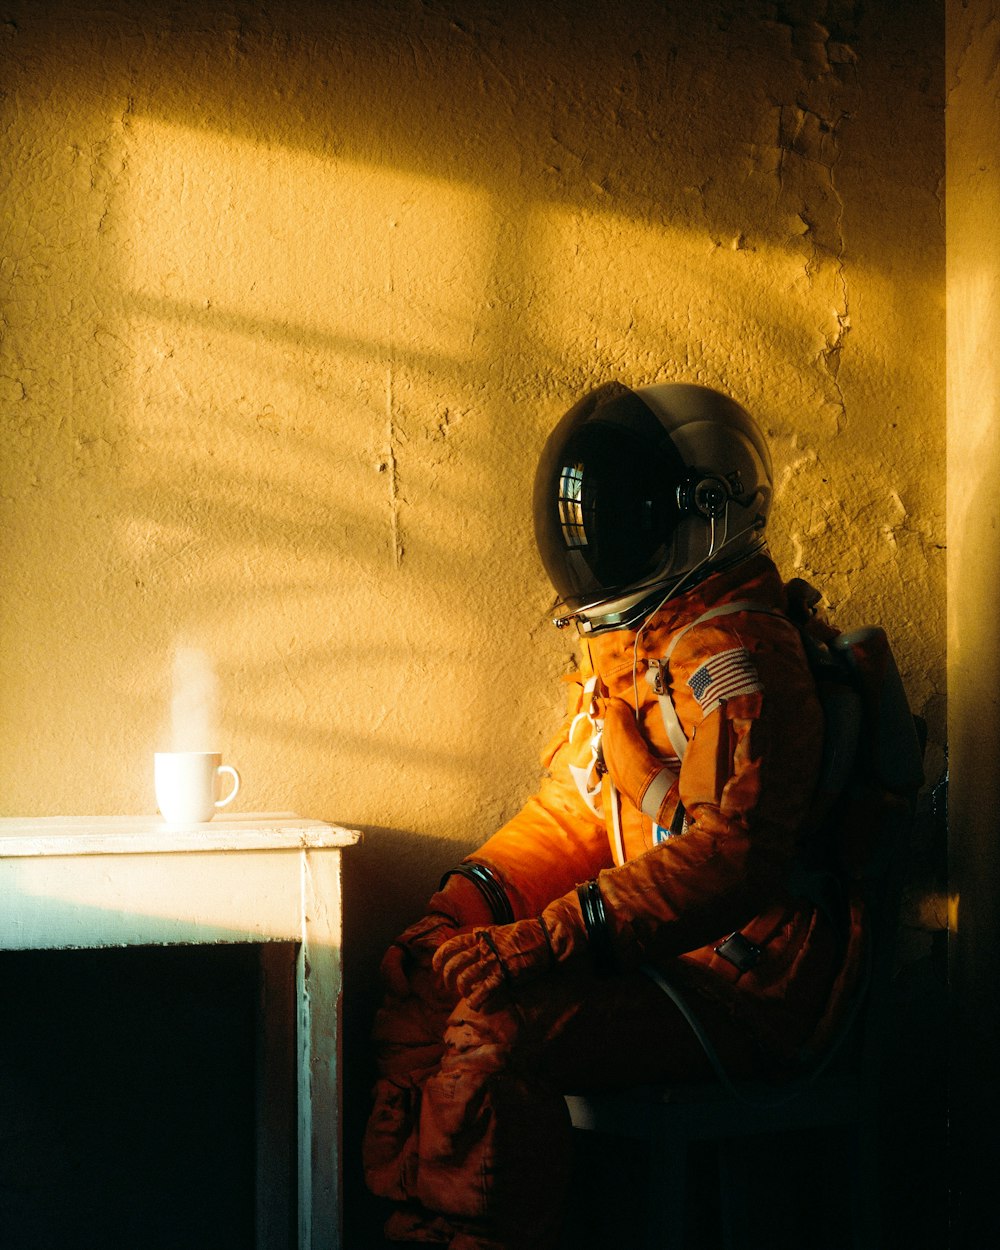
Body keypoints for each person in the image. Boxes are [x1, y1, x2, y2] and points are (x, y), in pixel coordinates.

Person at [363, 381, 865, 1250]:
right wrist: (466, 911)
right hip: (663, 956)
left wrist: (549, 940)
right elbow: (577, 814)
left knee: (496, 1021)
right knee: (423, 998)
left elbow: (730, 855)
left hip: (749, 984)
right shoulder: (637, 655)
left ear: (704, 510)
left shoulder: (740, 662)